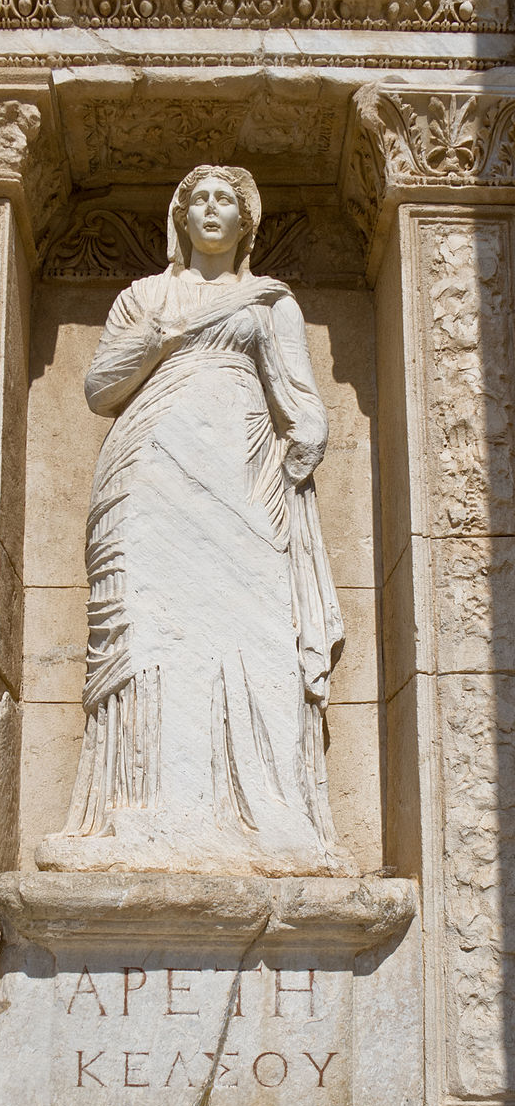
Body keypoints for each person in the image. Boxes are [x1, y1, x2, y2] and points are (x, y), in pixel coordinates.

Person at [37, 165, 356, 876]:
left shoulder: (269, 301)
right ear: (181, 218)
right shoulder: (144, 296)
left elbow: (299, 396)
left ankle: (273, 812)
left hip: (241, 474)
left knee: (255, 628)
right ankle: (141, 810)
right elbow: (97, 389)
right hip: (148, 471)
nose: (211, 210)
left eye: (226, 201)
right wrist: (156, 336)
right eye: (199, 200)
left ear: (246, 222)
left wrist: (308, 435)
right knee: (149, 630)